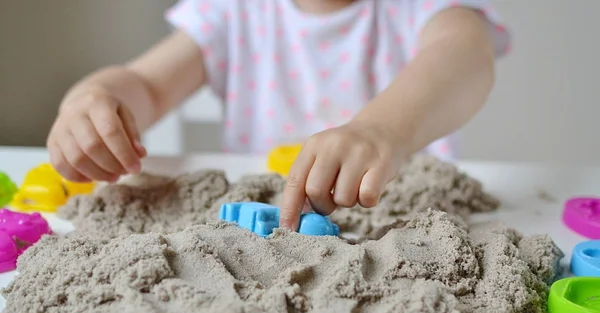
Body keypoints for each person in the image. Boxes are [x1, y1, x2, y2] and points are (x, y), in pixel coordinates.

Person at [46, 0, 510, 231]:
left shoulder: (419, 8)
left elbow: (465, 54)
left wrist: (384, 129)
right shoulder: (235, 10)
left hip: (405, 219)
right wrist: (94, 97)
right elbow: (147, 86)